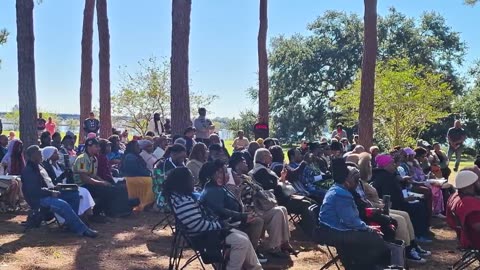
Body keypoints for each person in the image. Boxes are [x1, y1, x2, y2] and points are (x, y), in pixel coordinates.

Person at [164, 167, 262, 270]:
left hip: (208, 232)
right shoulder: (183, 202)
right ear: (183, 182)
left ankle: (256, 268)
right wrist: (221, 224)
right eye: (191, 178)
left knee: (243, 236)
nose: (194, 180)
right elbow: (198, 226)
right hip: (203, 236)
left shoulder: (181, 196)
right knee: (241, 241)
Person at [315, 158, 391, 269]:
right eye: (356, 180)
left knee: (373, 236)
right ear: (347, 180)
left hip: (333, 228)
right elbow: (350, 221)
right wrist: (368, 228)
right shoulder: (341, 194)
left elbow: (351, 218)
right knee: (375, 239)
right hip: (333, 232)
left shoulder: (339, 189)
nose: (357, 183)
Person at [356, 152, 431, 262]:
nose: (394, 165)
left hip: (382, 206)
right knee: (400, 218)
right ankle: (407, 249)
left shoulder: (373, 179)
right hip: (376, 210)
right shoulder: (372, 180)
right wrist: (381, 205)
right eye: (391, 163)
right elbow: (367, 203)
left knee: (405, 215)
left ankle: (413, 244)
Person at [21, 145, 98, 238]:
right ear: (33, 155)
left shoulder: (39, 166)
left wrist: (54, 188)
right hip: (39, 199)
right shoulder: (29, 170)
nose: (41, 155)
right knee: (62, 204)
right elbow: (34, 191)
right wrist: (51, 192)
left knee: (74, 195)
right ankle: (82, 230)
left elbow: (47, 182)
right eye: (39, 153)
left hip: (48, 192)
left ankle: (69, 224)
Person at [200, 160, 269, 261]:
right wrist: (243, 216)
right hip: (223, 227)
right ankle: (250, 257)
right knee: (257, 221)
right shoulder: (213, 190)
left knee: (257, 219)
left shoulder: (218, 186)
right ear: (217, 173)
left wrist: (243, 213)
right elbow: (221, 211)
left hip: (231, 221)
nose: (228, 174)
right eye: (226, 171)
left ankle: (250, 256)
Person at [229, 153, 296, 258]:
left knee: (282, 209)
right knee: (278, 212)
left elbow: (258, 189)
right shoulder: (233, 179)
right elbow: (239, 197)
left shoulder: (246, 177)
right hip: (250, 210)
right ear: (237, 164)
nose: (247, 163)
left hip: (259, 207)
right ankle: (272, 247)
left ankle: (283, 243)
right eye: (244, 161)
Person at [371, 154, 432, 243]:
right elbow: (391, 198)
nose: (394, 165)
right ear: (385, 165)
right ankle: (419, 234)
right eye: (391, 163)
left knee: (421, 202)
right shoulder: (385, 177)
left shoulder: (388, 175)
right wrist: (406, 199)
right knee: (419, 207)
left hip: (399, 200)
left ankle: (423, 232)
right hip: (393, 205)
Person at [250, 148, 314, 230]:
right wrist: (282, 183)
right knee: (307, 204)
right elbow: (270, 187)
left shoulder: (263, 169)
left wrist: (282, 178)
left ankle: (307, 225)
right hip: (277, 201)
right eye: (269, 155)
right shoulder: (260, 171)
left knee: (311, 201)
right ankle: (308, 230)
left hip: (282, 197)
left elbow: (272, 184)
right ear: (264, 157)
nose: (271, 157)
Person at [41, 146, 96, 221]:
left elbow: (69, 180)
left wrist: (69, 174)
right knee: (79, 194)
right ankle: (76, 218)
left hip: (67, 186)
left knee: (84, 191)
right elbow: (51, 183)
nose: (57, 154)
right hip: (58, 188)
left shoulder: (60, 165)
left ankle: (87, 215)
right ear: (49, 155)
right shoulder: (46, 167)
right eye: (55, 153)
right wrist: (62, 176)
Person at [73, 138, 117, 222]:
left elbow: (94, 175)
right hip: (81, 185)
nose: (99, 149)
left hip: (90, 183)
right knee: (104, 191)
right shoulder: (82, 159)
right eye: (96, 146)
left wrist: (104, 182)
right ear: (89, 147)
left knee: (109, 188)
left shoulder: (94, 159)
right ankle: (95, 215)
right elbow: (84, 178)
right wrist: (101, 183)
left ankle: (101, 213)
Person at [446, 169, 480, 250]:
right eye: (477, 182)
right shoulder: (469, 204)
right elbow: (478, 227)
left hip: (467, 236)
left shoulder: (455, 196)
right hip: (475, 240)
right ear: (471, 185)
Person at [154, 144, 187, 209]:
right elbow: (162, 183)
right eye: (181, 157)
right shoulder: (161, 165)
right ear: (173, 154)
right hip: (165, 196)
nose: (183, 159)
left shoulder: (180, 164)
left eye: (183, 157)